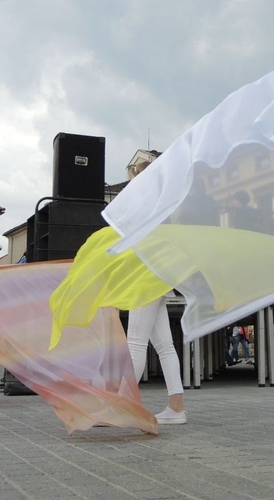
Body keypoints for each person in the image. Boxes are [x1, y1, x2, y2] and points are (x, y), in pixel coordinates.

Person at [125, 160, 186, 425]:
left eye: (134, 178)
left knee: (136, 342)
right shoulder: (166, 203)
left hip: (146, 277)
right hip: (159, 276)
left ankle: (122, 405)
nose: (131, 182)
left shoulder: (146, 205)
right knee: (164, 346)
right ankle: (176, 408)